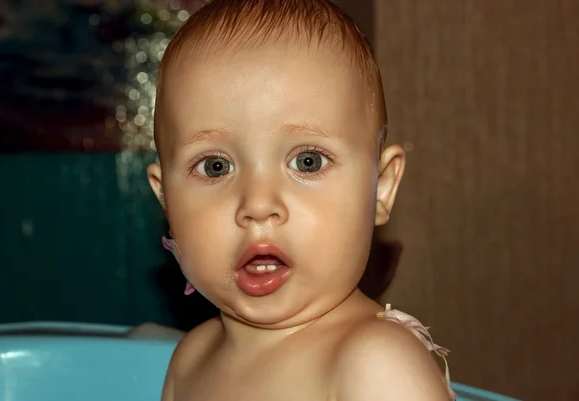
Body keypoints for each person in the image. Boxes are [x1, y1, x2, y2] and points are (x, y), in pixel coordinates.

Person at [146, 0, 455, 399]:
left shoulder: (374, 365)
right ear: (166, 200)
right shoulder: (191, 360)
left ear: (380, 188)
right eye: (215, 168)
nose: (257, 205)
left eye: (307, 161)